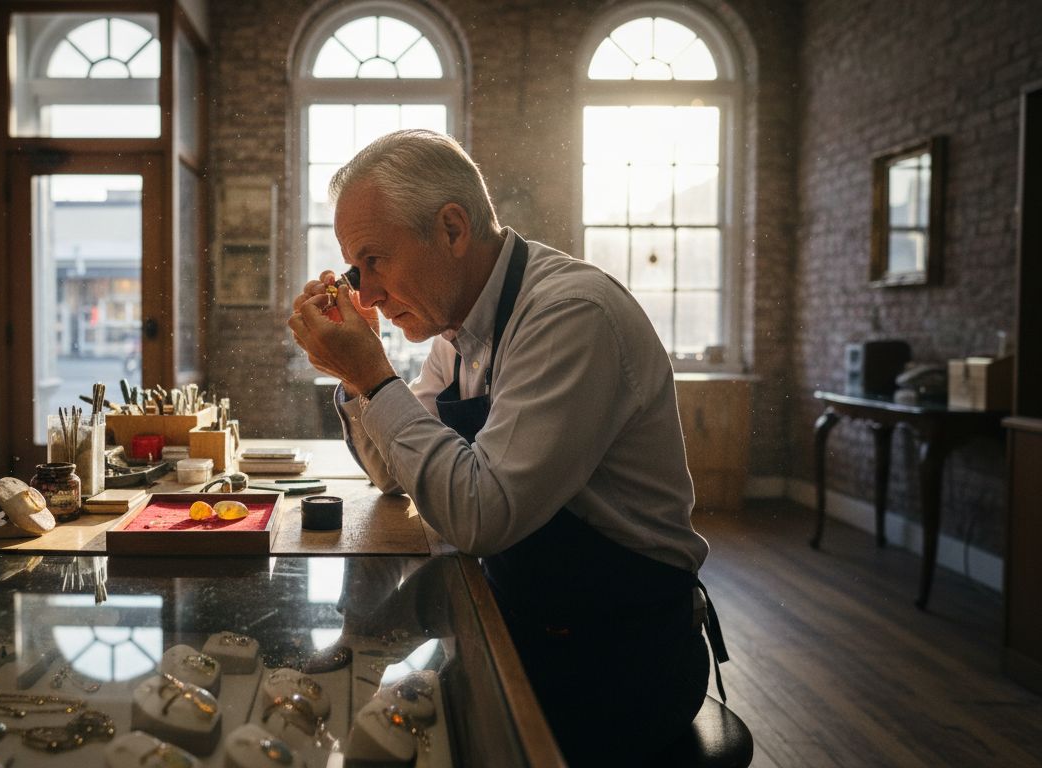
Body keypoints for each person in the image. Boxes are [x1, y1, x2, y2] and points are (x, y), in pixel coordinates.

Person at [288, 129, 727, 765]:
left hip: (621, 653)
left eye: (375, 262)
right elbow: (392, 473)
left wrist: (373, 376)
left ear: (452, 228)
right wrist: (358, 381)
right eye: (356, 272)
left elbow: (481, 515)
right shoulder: (456, 329)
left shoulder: (570, 315)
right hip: (524, 620)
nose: (366, 294)